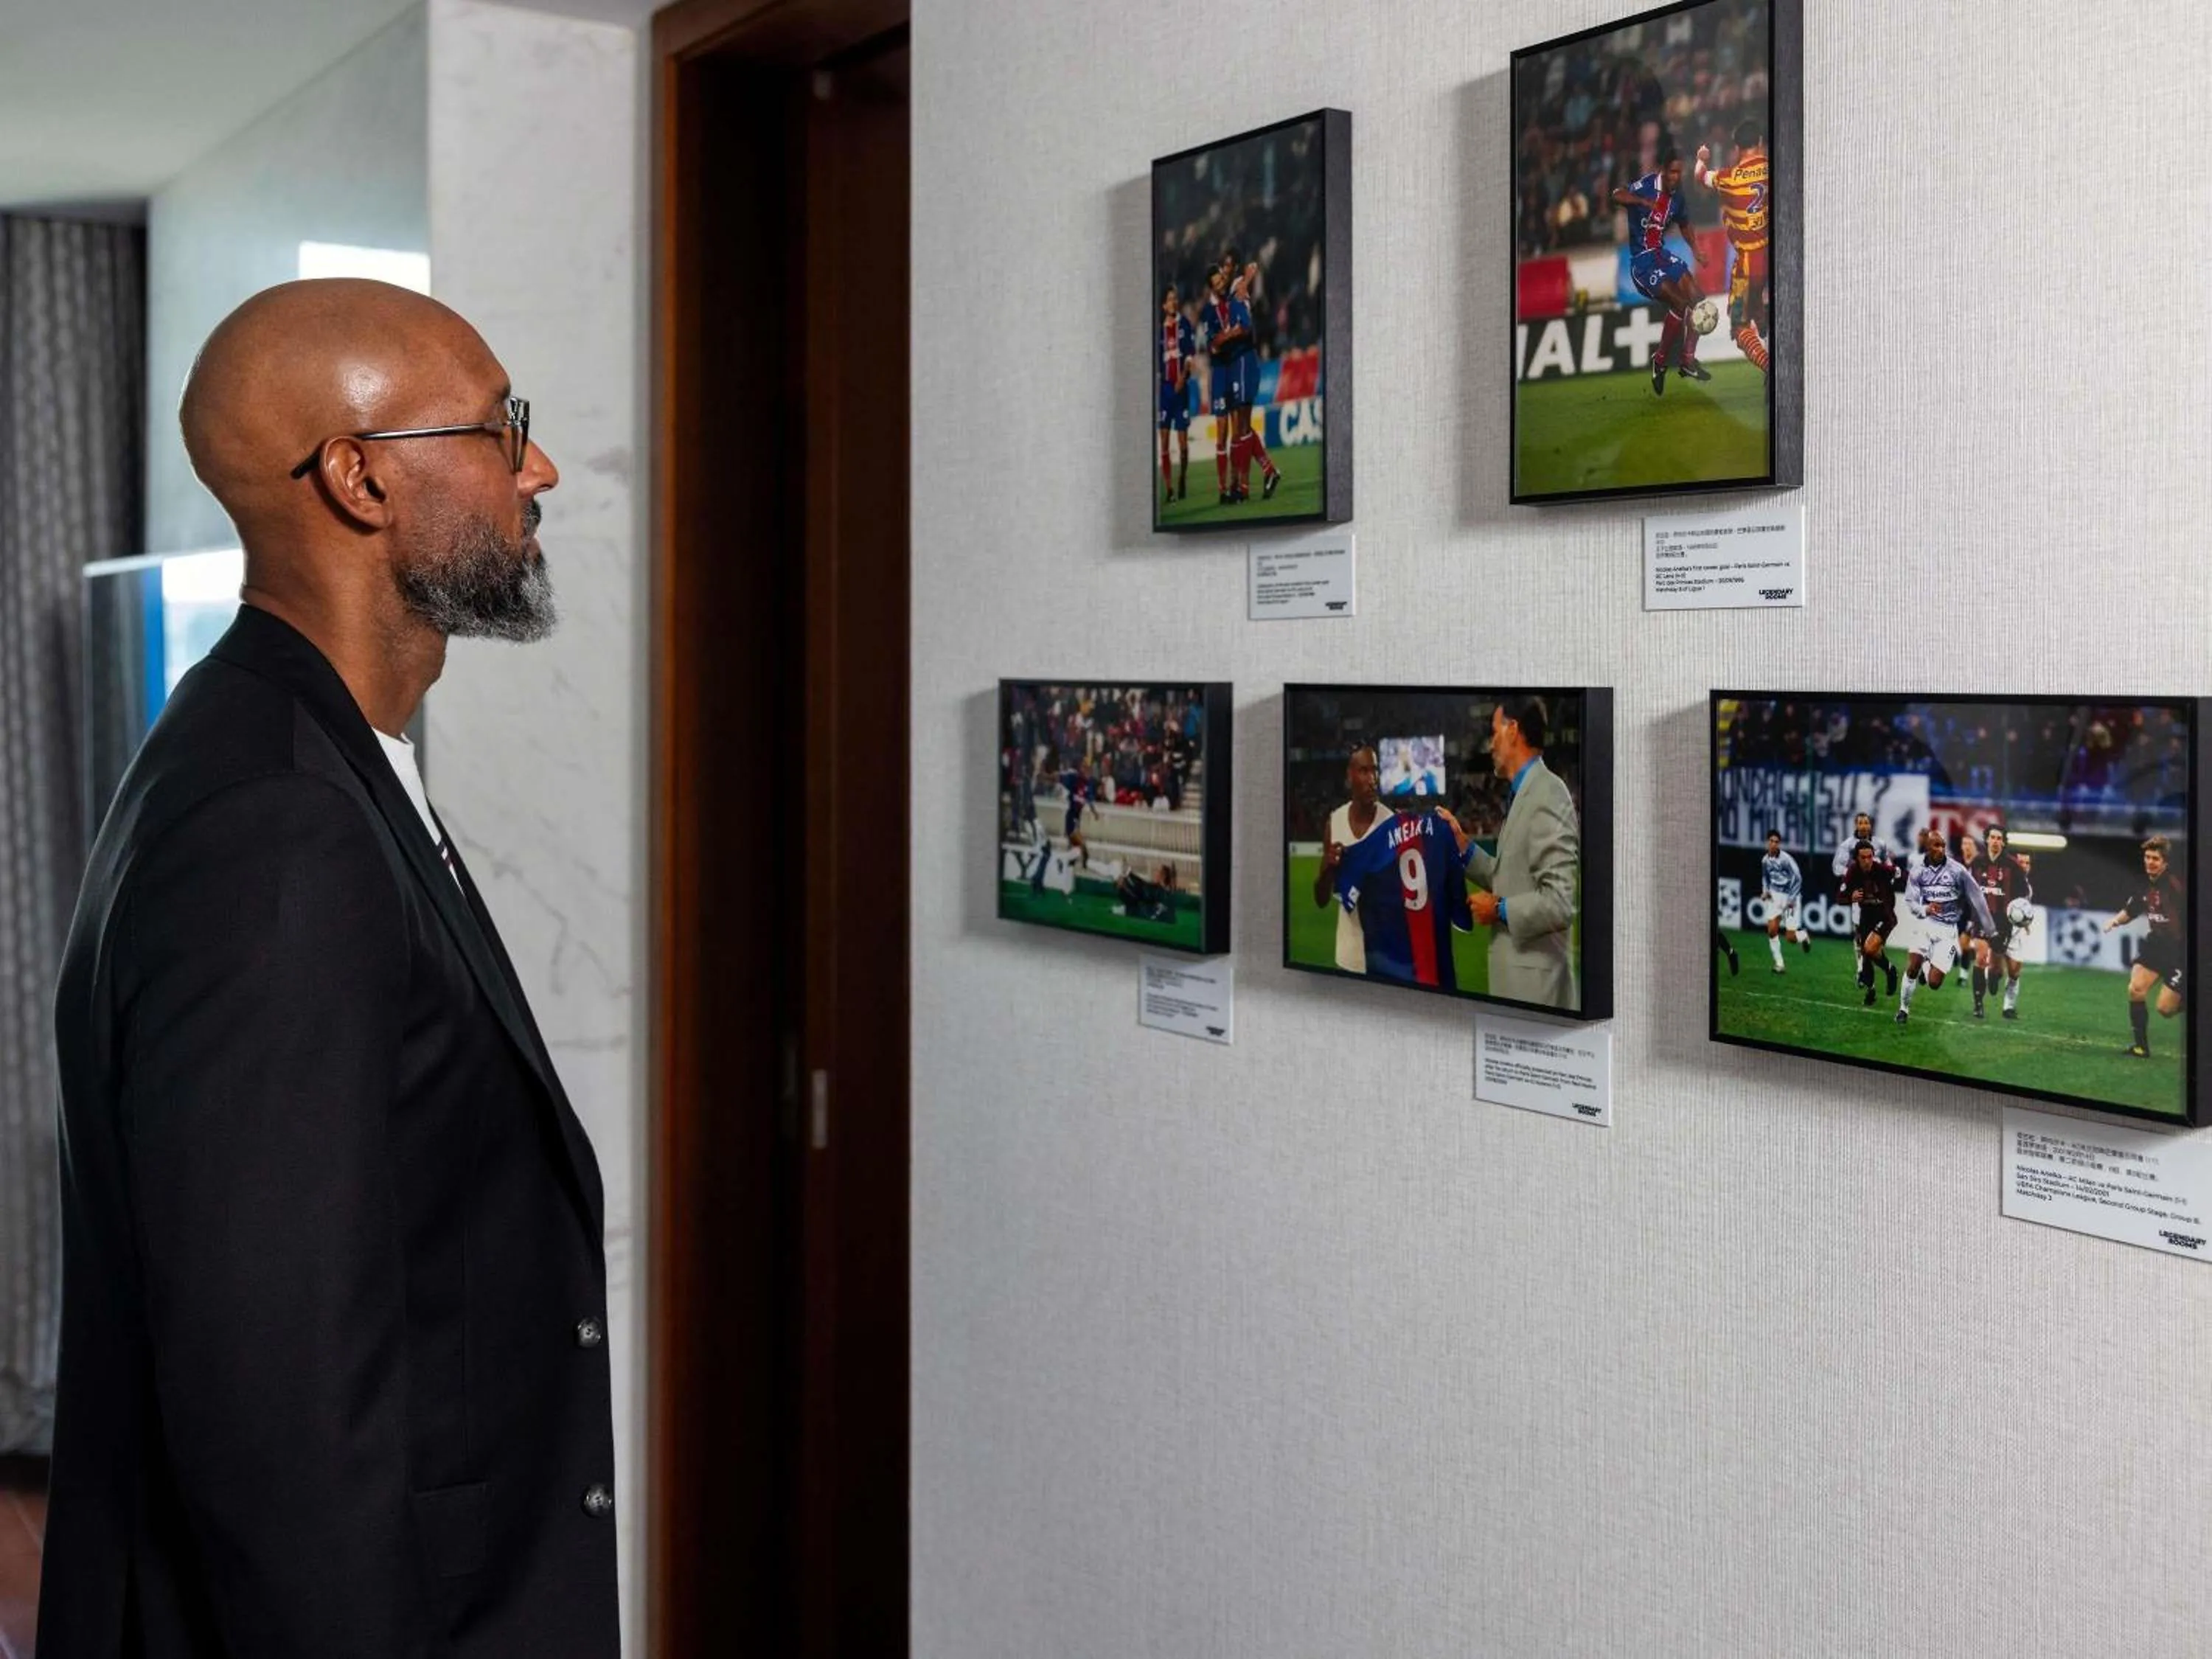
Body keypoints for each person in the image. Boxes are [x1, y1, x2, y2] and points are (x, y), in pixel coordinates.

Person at [40, 279, 619, 1658]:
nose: (537, 468)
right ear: (359, 478)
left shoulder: (299, 751)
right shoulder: (278, 825)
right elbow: (279, 1410)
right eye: (499, 426)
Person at [1442, 695, 1582, 1009]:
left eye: (1494, 733)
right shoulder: (1525, 792)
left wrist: (1500, 910)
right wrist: (1463, 847)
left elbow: (1559, 902)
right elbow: (1510, 878)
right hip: (1521, 987)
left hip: (1538, 992)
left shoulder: (1548, 793)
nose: (1491, 744)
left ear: (1513, 730)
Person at [1611, 153, 1712, 394]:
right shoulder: (1646, 186)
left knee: (1699, 301)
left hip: (1662, 255)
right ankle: (1660, 359)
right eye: (1673, 172)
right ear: (1664, 171)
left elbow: (1685, 223)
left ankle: (1688, 360)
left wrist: (1696, 249)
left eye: (1681, 173)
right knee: (1679, 303)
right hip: (1642, 263)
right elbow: (1616, 194)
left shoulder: (1677, 198)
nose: (1677, 177)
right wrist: (1639, 202)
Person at [1692, 116, 1773, 372]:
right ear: (1760, 142)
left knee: (1739, 326)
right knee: (1759, 311)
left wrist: (1702, 158)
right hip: (1775, 254)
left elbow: (1700, 176)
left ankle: (1772, 367)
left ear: (1737, 148)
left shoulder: (1729, 178)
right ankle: (1763, 316)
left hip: (1748, 264)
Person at [1896, 825, 1994, 1025]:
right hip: (1925, 924)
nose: (1940, 849)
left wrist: (1990, 928)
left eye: (1943, 845)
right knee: (1912, 966)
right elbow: (1910, 900)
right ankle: (1903, 1010)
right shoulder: (1918, 871)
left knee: (1934, 983)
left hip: (1948, 930)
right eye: (1936, 845)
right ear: (1928, 847)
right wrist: (1924, 910)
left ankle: (1927, 965)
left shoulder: (1957, 871)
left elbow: (1978, 897)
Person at [1315, 745, 1396, 973]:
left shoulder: (1391, 824)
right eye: (1364, 771)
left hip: (1385, 958)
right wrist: (1327, 870)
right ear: (1350, 776)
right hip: (1348, 958)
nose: (1372, 779)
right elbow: (1321, 900)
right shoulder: (1336, 822)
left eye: (1375, 771)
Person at [2104, 834, 2187, 1058]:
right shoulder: (2144, 884)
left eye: (2155, 859)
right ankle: (2141, 1047)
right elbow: (2132, 910)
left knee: (2165, 1009)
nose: (2150, 862)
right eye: (2147, 857)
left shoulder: (2176, 886)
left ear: (2165, 863)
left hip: (2182, 951)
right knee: (2136, 988)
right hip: (2157, 945)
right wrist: (2114, 921)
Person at [1968, 824, 2033, 1020]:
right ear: (1987, 839)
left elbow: (2023, 894)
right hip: (1981, 919)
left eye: (1999, 838)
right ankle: (1978, 1004)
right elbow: (1970, 888)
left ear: (2003, 842)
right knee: (1980, 958)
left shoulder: (2013, 866)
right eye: (1992, 837)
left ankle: (1995, 976)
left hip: (2003, 923)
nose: (1996, 841)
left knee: (1997, 969)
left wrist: (2018, 913)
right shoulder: (1977, 862)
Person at [1837, 838, 1904, 1007]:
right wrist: (1850, 898)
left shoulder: (1881, 869)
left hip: (1885, 916)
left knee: (1868, 948)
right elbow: (1840, 897)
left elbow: (1900, 873)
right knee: (1868, 954)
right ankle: (1874, 987)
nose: (1867, 861)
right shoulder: (1852, 872)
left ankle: (1890, 972)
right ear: (1856, 858)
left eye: (1870, 857)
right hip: (1866, 916)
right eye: (1863, 857)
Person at [1157, 282, 1196, 504]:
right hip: (1165, 391)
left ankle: (1182, 478)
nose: (1174, 302)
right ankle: (1170, 489)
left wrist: (1184, 376)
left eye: (1175, 298)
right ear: (1164, 305)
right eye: (1170, 299)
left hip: (1181, 388)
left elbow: (1190, 355)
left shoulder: (1185, 325)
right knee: (1163, 441)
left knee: (1182, 444)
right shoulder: (1159, 332)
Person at [1759, 829, 1813, 971]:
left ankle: (1804, 936)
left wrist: (1792, 899)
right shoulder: (1765, 861)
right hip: (1775, 897)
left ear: (1779, 844)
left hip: (1790, 899)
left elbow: (1798, 878)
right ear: (1767, 842)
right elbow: (1765, 878)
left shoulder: (1786, 860)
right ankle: (1779, 964)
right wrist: (1765, 892)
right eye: (1771, 841)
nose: (1774, 844)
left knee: (1791, 938)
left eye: (1776, 842)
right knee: (1772, 930)